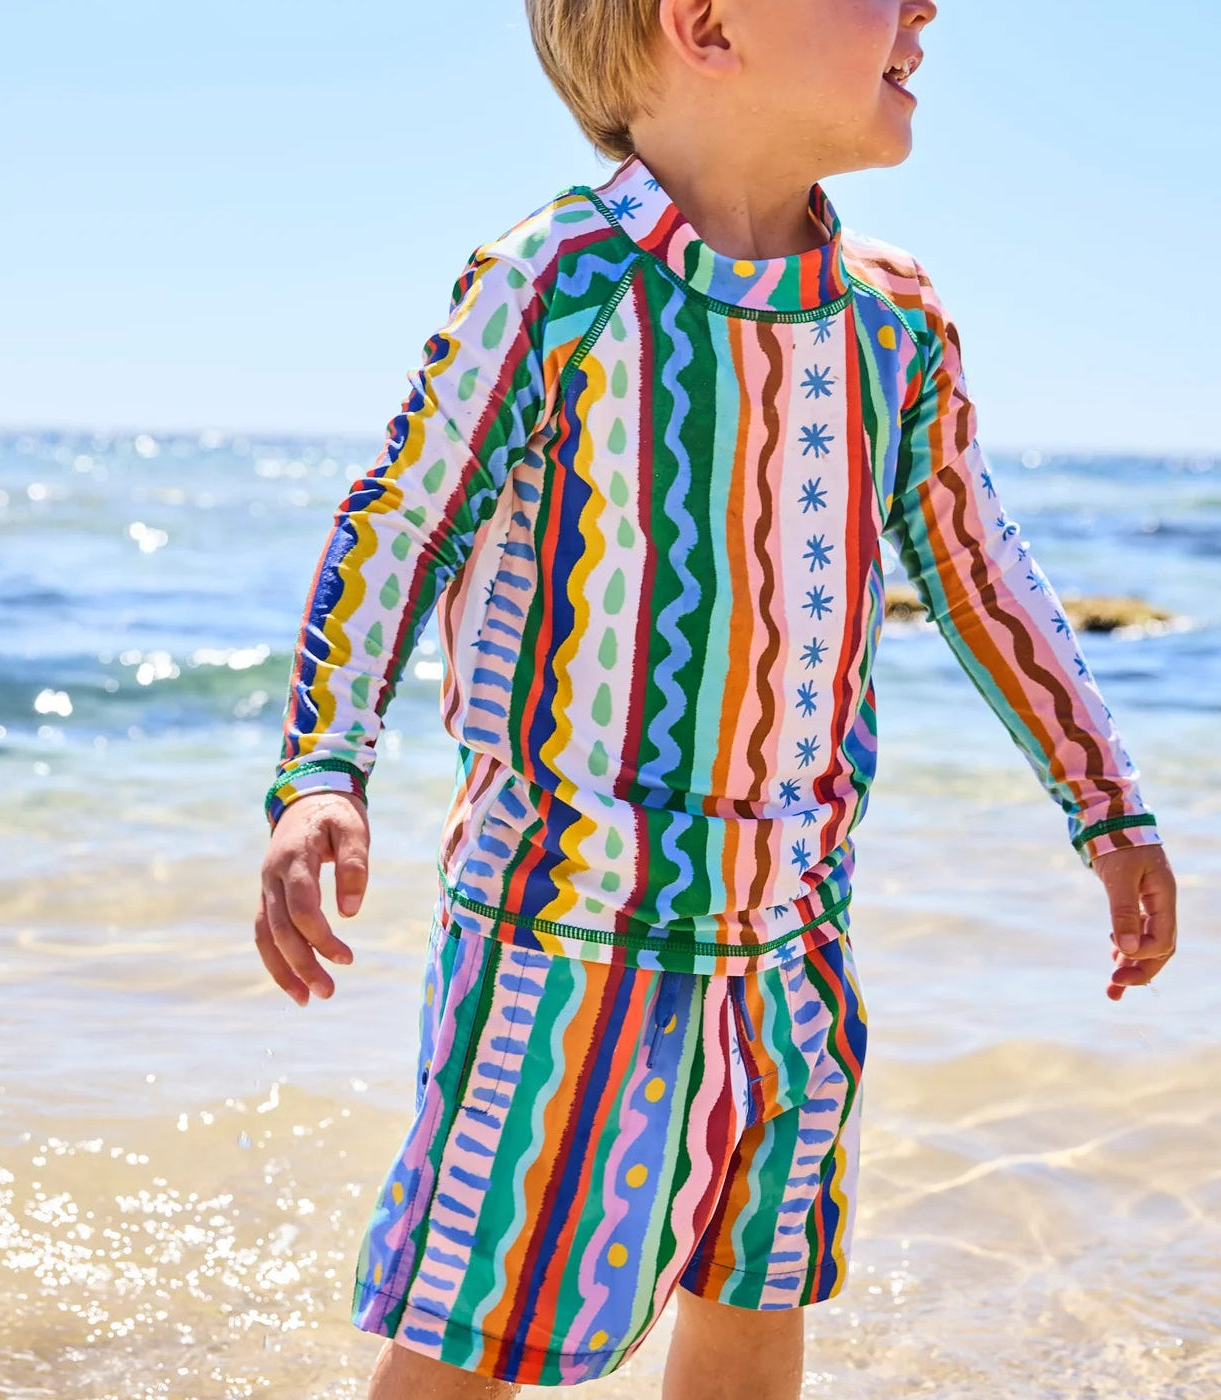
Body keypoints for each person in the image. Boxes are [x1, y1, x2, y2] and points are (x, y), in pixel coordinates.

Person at [255, 1, 1180, 1395]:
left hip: (799, 932)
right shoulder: (560, 280)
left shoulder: (895, 322)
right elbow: (404, 520)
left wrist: (1104, 803)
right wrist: (324, 768)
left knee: (758, 1307)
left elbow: (982, 569)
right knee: (479, 1339)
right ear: (704, 24)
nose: (925, 6)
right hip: (567, 928)